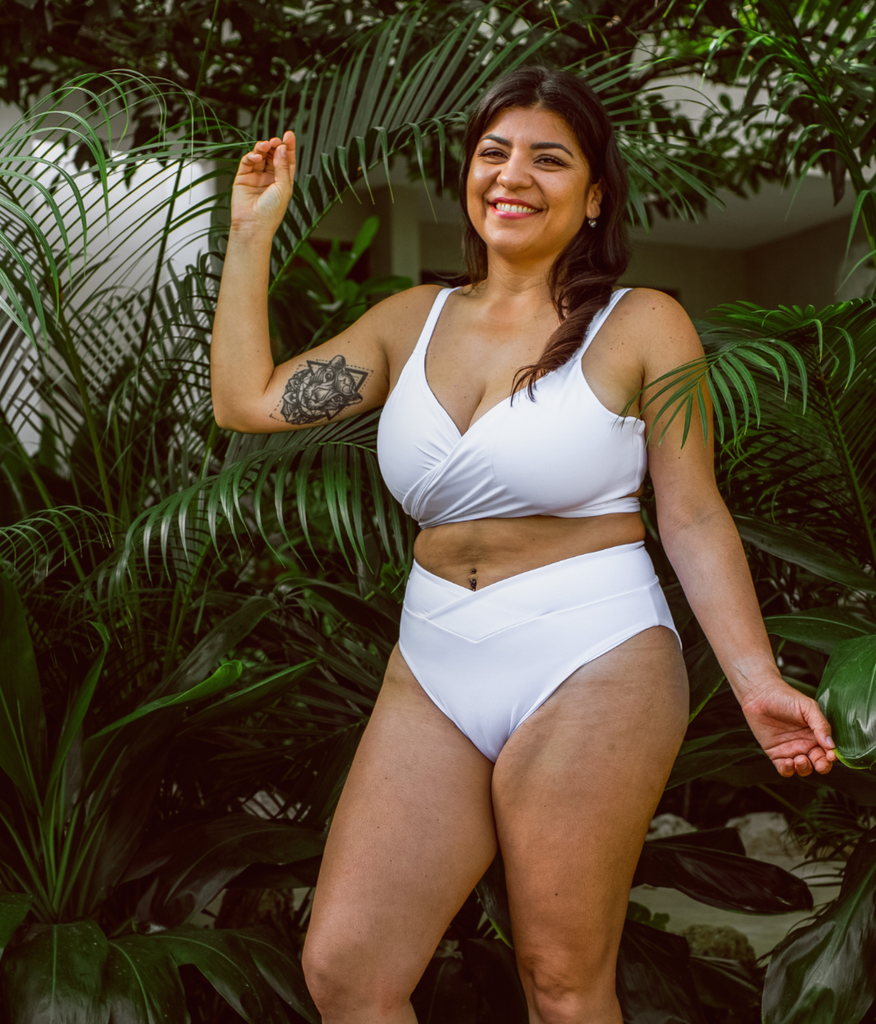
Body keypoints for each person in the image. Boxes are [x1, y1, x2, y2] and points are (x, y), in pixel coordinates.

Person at [210, 66, 836, 1024]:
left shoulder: (643, 324)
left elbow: (694, 514)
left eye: (550, 158)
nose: (512, 175)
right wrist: (253, 231)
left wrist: (755, 681)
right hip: (434, 657)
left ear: (593, 198)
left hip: (590, 649)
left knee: (562, 980)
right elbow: (248, 401)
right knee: (347, 969)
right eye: (494, 153)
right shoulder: (409, 321)